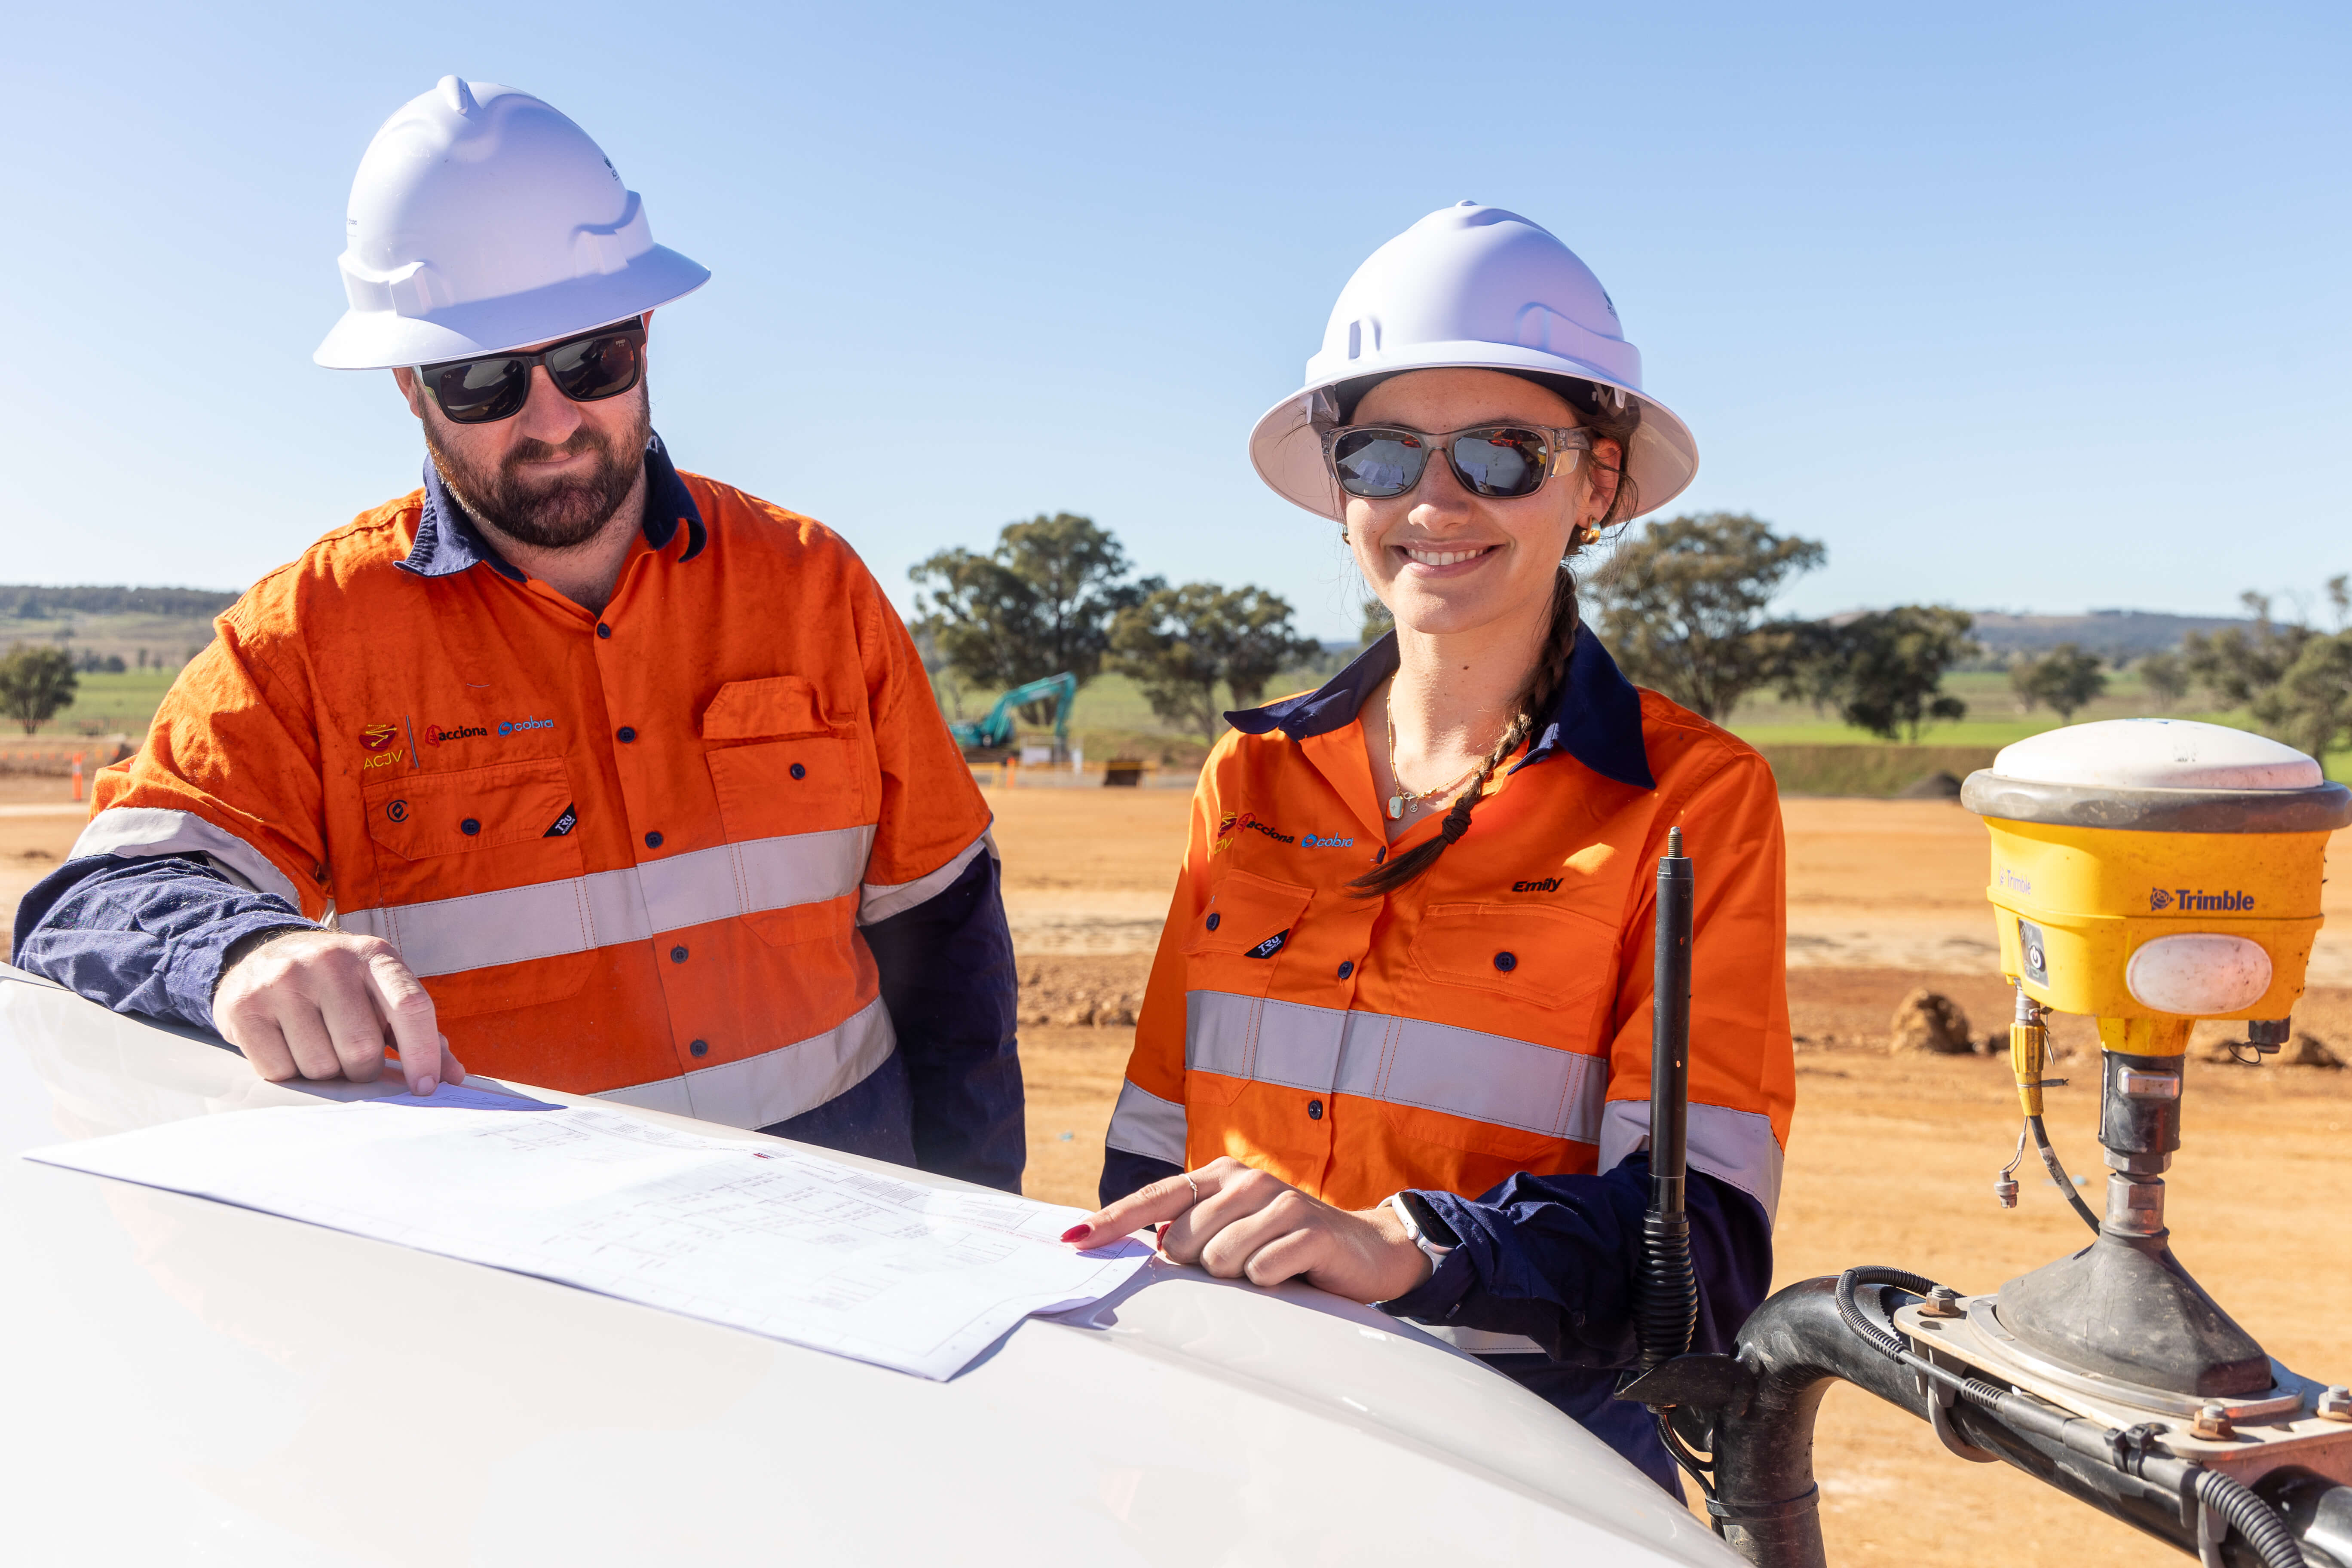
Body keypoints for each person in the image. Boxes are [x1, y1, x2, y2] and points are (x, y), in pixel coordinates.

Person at [12, 78, 1023, 1192]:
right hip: (531, 1281)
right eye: (486, 381)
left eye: (590, 361)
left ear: (644, 332)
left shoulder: (814, 585)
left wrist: (976, 1229)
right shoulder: (313, 635)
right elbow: (92, 901)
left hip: (850, 1237)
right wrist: (247, 950)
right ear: (410, 388)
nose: (551, 422)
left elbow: (946, 942)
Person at [1069, 202, 1792, 1487]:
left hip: (1526, 1462)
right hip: (1234, 1421)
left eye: (1505, 454)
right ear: (1343, 481)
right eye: (1388, 453)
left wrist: (1406, 1244)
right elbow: (1155, 1140)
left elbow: (1706, 1252)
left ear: (1598, 482)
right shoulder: (1250, 777)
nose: (1436, 501)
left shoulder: (1696, 801)